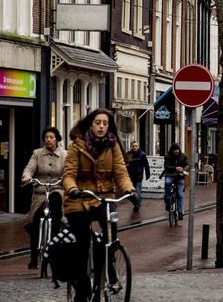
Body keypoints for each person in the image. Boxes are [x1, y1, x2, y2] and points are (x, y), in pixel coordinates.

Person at [62, 109, 133, 302]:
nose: (101, 126)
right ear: (90, 125)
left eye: (105, 123)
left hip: (104, 197)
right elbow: (68, 174)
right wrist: (73, 189)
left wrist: (129, 190)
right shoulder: (77, 145)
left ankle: (107, 268)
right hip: (80, 197)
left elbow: (120, 171)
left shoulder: (113, 145)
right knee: (82, 242)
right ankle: (82, 283)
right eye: (98, 123)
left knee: (110, 234)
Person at [21, 126, 66, 269]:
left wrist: (67, 178)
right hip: (40, 192)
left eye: (51, 137)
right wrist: (26, 177)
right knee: (34, 220)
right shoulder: (37, 153)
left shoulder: (65, 155)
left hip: (57, 189)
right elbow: (30, 168)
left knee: (56, 205)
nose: (48, 140)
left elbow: (69, 170)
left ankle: (54, 241)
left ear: (57, 139)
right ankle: (34, 257)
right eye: (46, 137)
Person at [162, 143, 189, 220]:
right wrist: (175, 168)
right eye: (175, 150)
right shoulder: (167, 156)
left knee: (180, 194)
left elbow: (188, 164)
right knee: (167, 182)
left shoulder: (183, 156)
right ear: (172, 151)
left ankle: (180, 212)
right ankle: (167, 199)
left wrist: (183, 170)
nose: (176, 152)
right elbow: (166, 167)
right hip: (170, 174)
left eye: (177, 150)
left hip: (180, 177)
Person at [125, 141, 150, 213]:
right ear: (131, 147)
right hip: (130, 176)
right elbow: (124, 163)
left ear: (138, 146)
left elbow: (146, 165)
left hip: (139, 175)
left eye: (136, 146)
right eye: (133, 146)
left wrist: (148, 174)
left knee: (138, 191)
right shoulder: (129, 154)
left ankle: (137, 205)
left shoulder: (142, 154)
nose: (135, 147)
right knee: (128, 192)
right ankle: (135, 202)